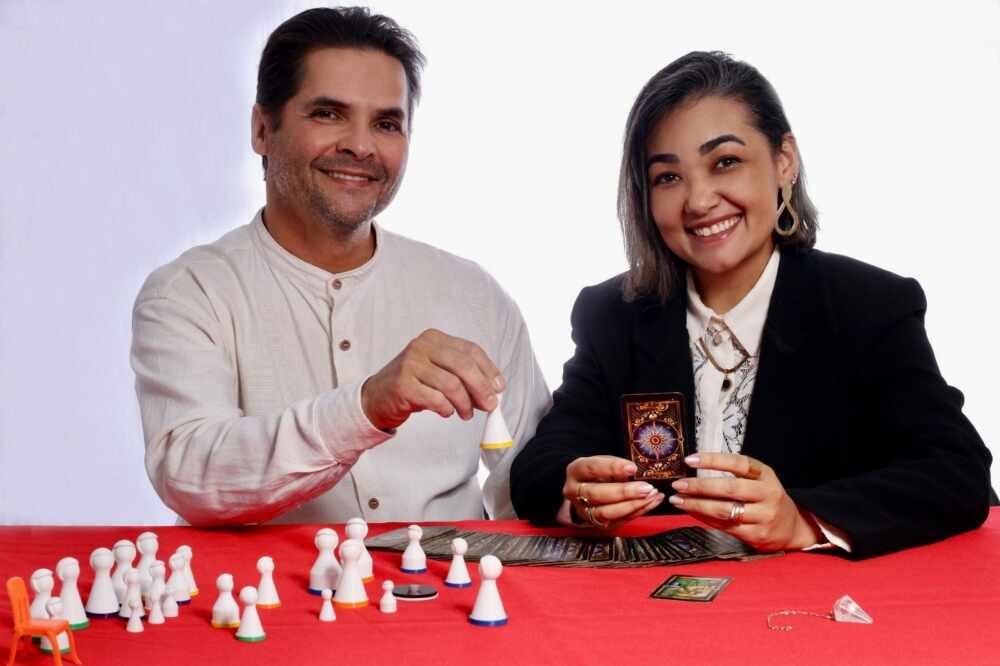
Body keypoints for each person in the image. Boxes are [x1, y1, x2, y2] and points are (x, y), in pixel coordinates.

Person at [510, 51, 993, 559]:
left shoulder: (868, 304)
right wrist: (576, 492)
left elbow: (956, 471)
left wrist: (802, 520)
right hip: (653, 601)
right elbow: (542, 464)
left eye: (725, 162)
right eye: (668, 177)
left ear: (784, 161)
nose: (699, 201)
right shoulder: (614, 312)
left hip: (815, 600)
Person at [131, 7, 550, 526]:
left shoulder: (474, 294)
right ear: (262, 130)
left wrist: (579, 494)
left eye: (386, 123)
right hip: (261, 583)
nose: (360, 145)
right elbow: (191, 474)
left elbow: (531, 482)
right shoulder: (190, 292)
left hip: (450, 578)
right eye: (328, 114)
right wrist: (367, 407)